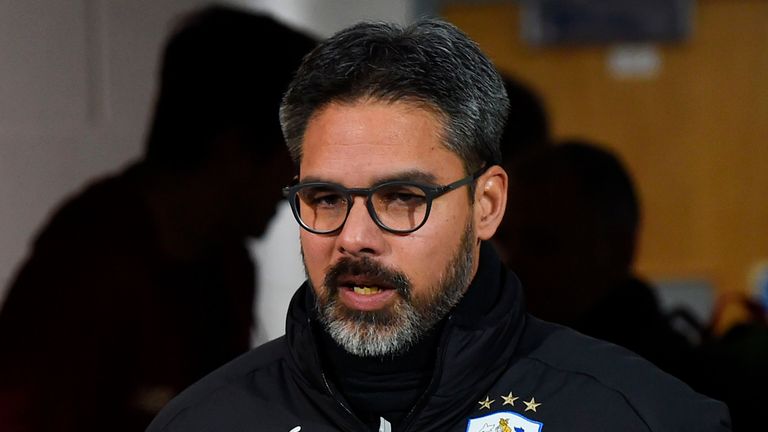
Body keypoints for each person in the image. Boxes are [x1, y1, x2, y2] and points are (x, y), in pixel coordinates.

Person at [147, 19, 730, 432]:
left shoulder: (635, 416)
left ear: (487, 205)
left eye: (401, 197)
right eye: (325, 197)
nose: (354, 237)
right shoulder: (206, 420)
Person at [0, 5, 314, 431]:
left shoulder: (225, 262)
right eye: (293, 155)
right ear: (234, 151)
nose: (302, 180)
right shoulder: (88, 274)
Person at [493, 140, 697, 381]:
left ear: (615, 249)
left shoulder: (664, 380)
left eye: (543, 243)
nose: (513, 263)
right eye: (503, 241)